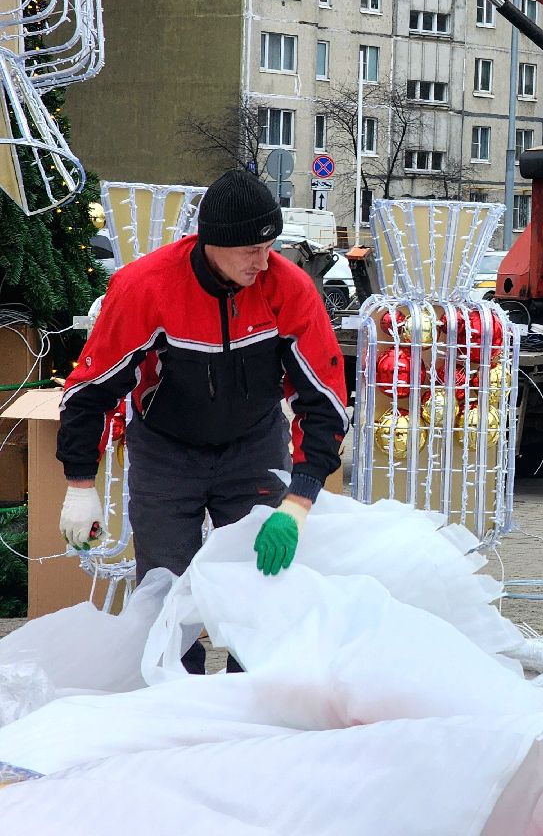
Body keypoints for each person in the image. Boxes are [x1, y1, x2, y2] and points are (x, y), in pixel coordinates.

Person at [56, 170, 349, 673]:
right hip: (167, 451)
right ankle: (177, 694)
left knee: (257, 587)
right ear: (212, 242)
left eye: (269, 246)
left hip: (254, 446)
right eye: (249, 250)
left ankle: (248, 701)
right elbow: (90, 390)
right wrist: (80, 483)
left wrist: (298, 503)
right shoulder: (146, 287)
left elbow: (323, 399)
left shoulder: (288, 289)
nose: (263, 261)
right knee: (166, 588)